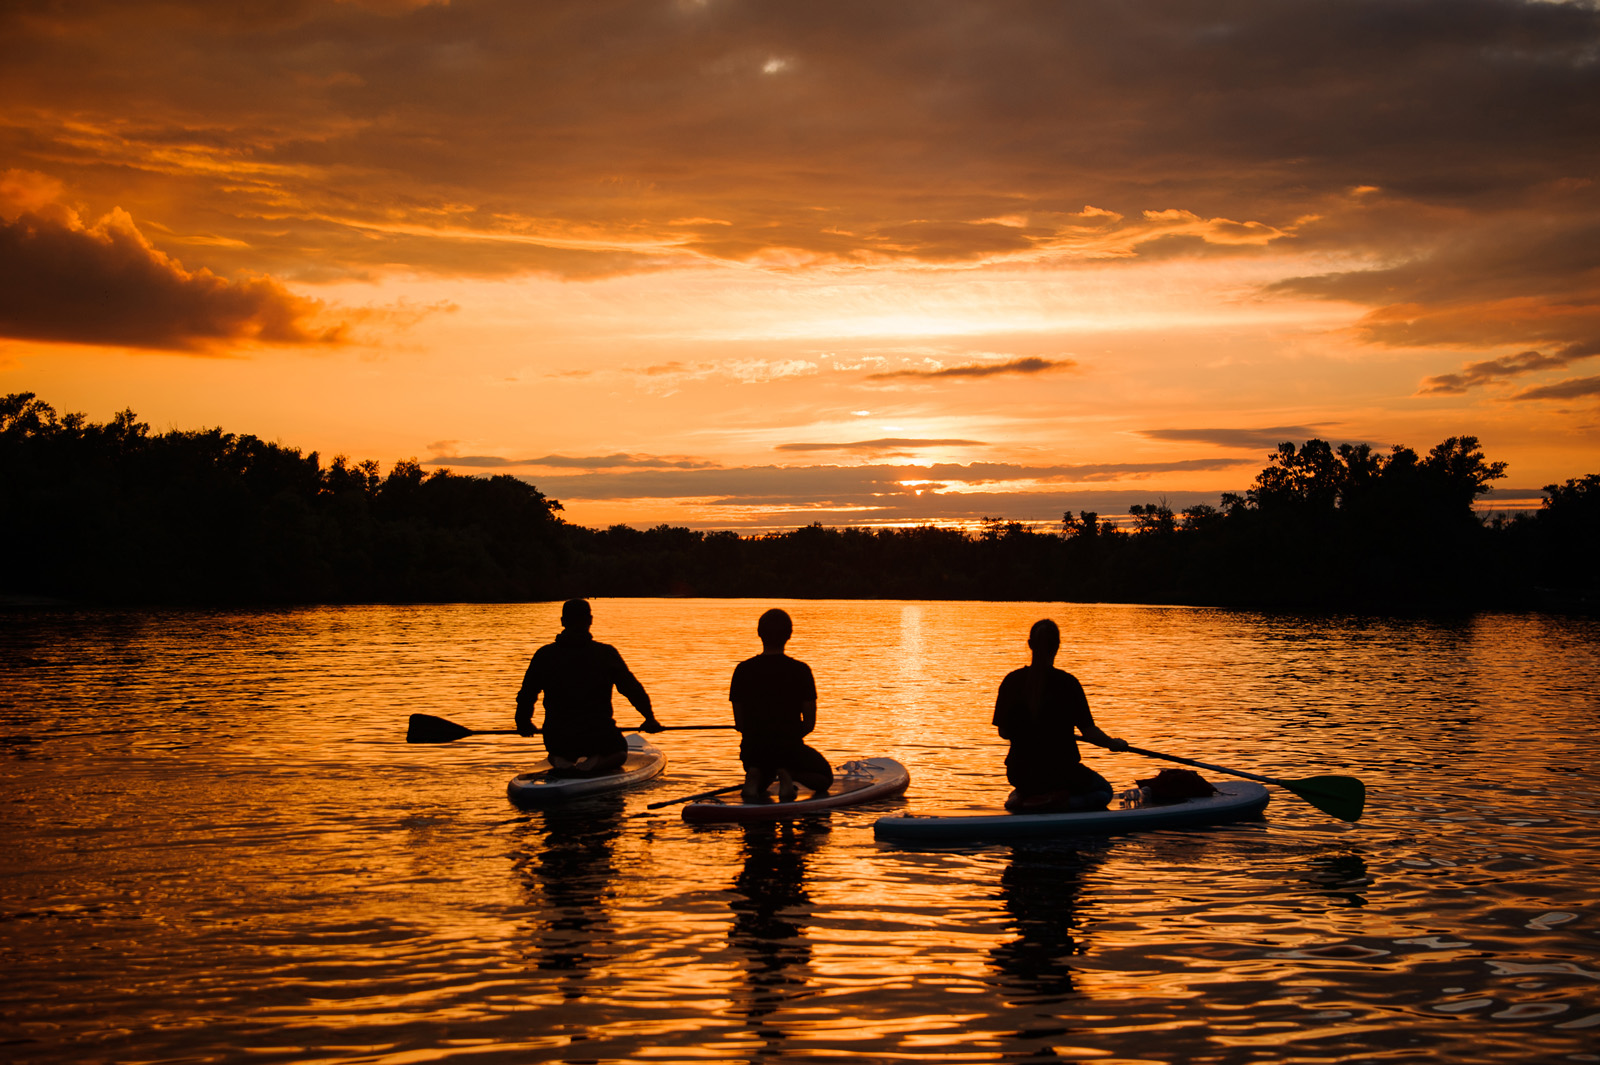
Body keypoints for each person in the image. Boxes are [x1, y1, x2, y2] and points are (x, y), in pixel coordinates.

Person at [993, 619, 1128, 812]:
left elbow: (1004, 732)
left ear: (1030, 644)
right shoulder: (1068, 683)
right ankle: (1054, 801)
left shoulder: (1011, 681)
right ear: (1057, 646)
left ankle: (1026, 797)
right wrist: (1113, 743)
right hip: (1060, 772)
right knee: (1104, 791)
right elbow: (1089, 732)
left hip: (1019, 773)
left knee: (1036, 782)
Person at [515, 599, 662, 775]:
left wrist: (523, 722)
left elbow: (527, 694)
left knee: (556, 752)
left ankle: (560, 760)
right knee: (620, 753)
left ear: (562, 621)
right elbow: (632, 689)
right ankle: (596, 762)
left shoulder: (544, 655)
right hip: (599, 735)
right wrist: (649, 718)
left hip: (559, 737)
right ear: (590, 620)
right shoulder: (606, 653)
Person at [730, 608, 833, 802]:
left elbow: (740, 724)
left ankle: (755, 774)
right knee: (825, 779)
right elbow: (809, 724)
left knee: (762, 770)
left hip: (753, 750)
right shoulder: (801, 671)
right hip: (788, 749)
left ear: (759, 633)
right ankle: (787, 774)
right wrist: (786, 739)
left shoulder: (742, 670)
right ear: (790, 635)